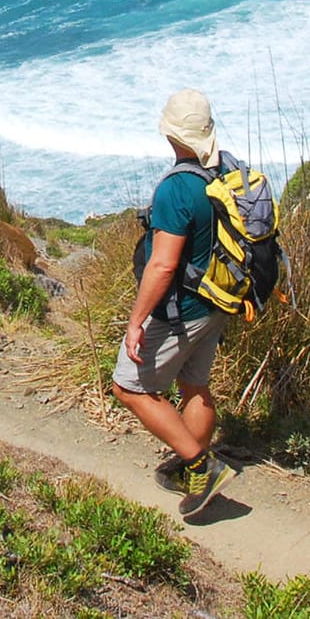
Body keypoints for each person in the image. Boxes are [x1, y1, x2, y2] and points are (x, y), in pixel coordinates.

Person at [112, 88, 238, 522]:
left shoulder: (176, 189)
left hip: (180, 310)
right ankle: (192, 469)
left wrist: (136, 322)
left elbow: (162, 265)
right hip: (216, 302)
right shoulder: (224, 171)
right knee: (194, 385)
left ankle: (204, 467)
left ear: (171, 134)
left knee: (129, 387)